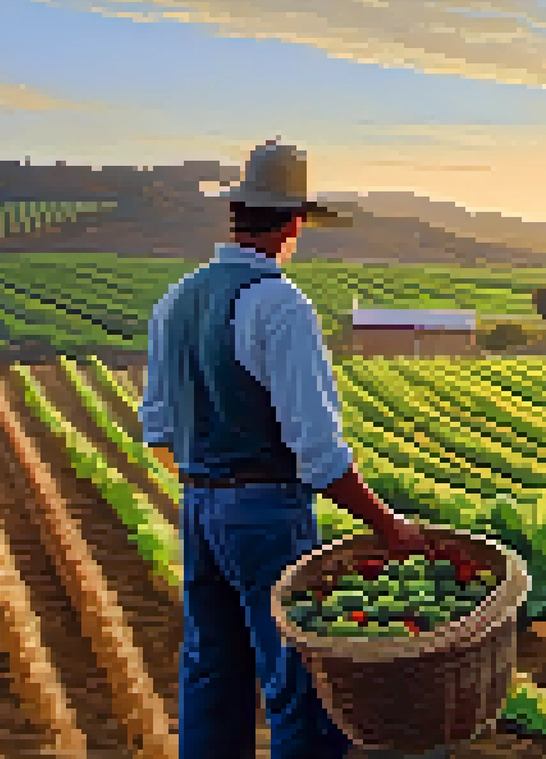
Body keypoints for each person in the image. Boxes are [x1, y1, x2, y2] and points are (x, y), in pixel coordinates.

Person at [141, 139, 428, 759]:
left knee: (211, 673)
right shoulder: (281, 305)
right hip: (265, 514)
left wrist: (208, 485)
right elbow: (318, 455)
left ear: (237, 214)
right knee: (300, 684)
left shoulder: (175, 301)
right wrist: (389, 525)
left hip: (199, 507)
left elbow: (157, 431)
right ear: (294, 223)